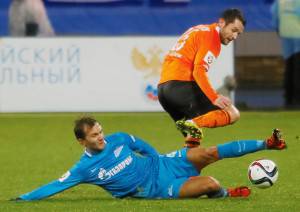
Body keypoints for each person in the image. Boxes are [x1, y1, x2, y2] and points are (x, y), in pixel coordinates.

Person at [12, 116, 286, 201]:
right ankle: (225, 194)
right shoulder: (84, 169)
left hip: (164, 163)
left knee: (209, 152)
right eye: (95, 136)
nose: (102, 137)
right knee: (210, 184)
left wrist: (157, 157)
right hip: (156, 189)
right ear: (81, 141)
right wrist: (23, 199)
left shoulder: (117, 138)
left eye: (101, 131)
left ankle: (268, 143)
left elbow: (138, 143)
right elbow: (54, 185)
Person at [158, 8, 245, 147]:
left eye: (238, 34)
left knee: (193, 141)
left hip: (163, 90)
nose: (234, 36)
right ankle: (192, 123)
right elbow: (199, 71)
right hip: (181, 86)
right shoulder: (212, 37)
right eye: (233, 30)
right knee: (233, 113)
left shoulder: (199, 29)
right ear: (222, 23)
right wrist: (214, 97)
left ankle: (184, 165)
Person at [271, 0, 300, 108]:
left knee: (289, 65)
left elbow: (275, 18)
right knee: (298, 67)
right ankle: (297, 99)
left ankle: (288, 97)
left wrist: (279, 30)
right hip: (298, 34)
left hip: (285, 34)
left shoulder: (280, 2)